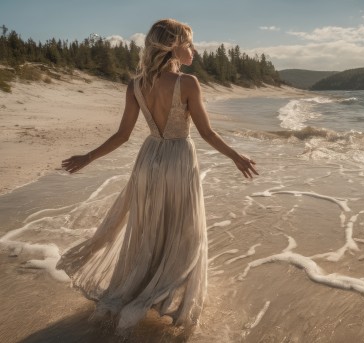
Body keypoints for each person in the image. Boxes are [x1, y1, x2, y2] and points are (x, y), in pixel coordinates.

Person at [57, 18, 258, 335]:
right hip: (179, 159)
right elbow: (206, 132)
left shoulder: (135, 84)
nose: (193, 49)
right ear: (173, 46)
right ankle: (163, 297)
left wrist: (88, 157)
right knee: (183, 232)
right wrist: (236, 156)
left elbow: (123, 135)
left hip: (148, 160)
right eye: (189, 43)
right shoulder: (188, 83)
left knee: (149, 230)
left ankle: (137, 291)